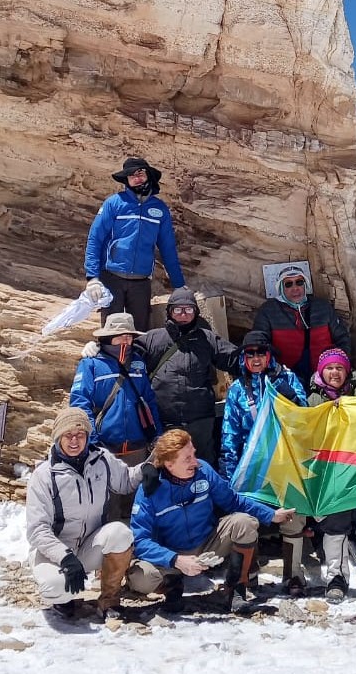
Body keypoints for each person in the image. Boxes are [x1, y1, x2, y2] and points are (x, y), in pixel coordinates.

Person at [127, 429, 296, 613]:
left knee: (245, 523)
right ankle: (171, 586)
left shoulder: (204, 471)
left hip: (207, 543)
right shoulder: (149, 491)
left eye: (193, 454)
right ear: (168, 463)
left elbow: (233, 501)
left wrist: (271, 515)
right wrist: (175, 560)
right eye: (187, 458)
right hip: (170, 554)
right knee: (140, 578)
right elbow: (141, 540)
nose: (195, 461)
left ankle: (236, 589)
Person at [81, 288, 239, 464]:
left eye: (189, 309)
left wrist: (259, 358)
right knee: (168, 470)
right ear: (169, 312)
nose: (184, 314)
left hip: (200, 422)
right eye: (178, 309)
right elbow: (122, 352)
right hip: (165, 423)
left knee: (202, 468)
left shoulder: (207, 339)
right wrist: (98, 347)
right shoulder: (154, 338)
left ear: (196, 312)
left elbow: (234, 359)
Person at [26, 408, 144, 620]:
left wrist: (148, 468)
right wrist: (65, 557)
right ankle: (66, 597)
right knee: (53, 587)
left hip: (89, 546)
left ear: (88, 437)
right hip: (55, 551)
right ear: (57, 437)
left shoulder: (103, 460)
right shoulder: (44, 475)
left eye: (80, 435)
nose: (74, 441)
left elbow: (126, 480)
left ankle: (109, 599)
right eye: (68, 435)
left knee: (120, 533)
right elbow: (37, 530)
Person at [219, 331, 310, 596]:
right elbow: (230, 433)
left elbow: (303, 417)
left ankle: (294, 576)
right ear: (243, 357)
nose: (256, 358)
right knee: (250, 517)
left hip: (285, 463)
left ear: (269, 354)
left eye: (261, 352)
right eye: (250, 354)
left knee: (293, 516)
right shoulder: (237, 389)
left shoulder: (288, 378)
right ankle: (250, 573)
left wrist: (290, 397)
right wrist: (230, 472)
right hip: (252, 466)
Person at [69, 313, 162, 517]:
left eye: (129, 336)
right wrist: (92, 441)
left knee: (136, 507)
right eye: (121, 336)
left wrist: (157, 434)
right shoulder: (91, 364)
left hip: (137, 449)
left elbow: (149, 400)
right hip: (105, 449)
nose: (126, 341)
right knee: (106, 509)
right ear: (108, 336)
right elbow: (79, 404)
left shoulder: (138, 362)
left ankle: (135, 547)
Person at [84, 157, 185, 330]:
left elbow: (168, 248)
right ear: (126, 180)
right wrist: (92, 278)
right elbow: (95, 239)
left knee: (139, 332)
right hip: (112, 278)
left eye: (140, 173)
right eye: (131, 175)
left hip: (141, 281)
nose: (136, 177)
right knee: (110, 331)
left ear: (149, 176)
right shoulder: (114, 203)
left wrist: (179, 285)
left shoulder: (159, 209)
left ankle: (137, 358)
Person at [307, 348, 356, 603]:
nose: (334, 373)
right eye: (329, 368)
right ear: (321, 371)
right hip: (330, 471)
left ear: (347, 371)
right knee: (335, 523)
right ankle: (336, 577)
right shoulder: (313, 399)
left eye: (339, 368)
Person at [252, 264, 351, 387]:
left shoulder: (322, 307)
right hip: (286, 378)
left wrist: (337, 364)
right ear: (281, 288)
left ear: (306, 285)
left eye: (299, 282)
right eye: (288, 284)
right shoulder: (269, 310)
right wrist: (274, 369)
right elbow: (258, 343)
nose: (295, 288)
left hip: (324, 378)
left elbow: (342, 339)